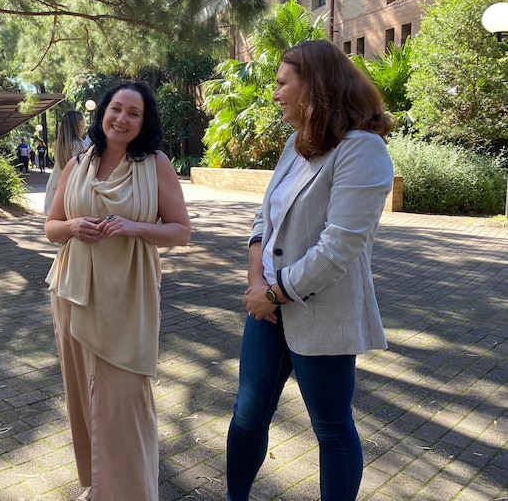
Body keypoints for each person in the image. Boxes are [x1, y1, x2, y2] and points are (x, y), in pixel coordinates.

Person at [226, 40, 394, 501]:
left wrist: (275, 291)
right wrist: (255, 280)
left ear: (315, 86)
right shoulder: (294, 144)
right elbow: (264, 219)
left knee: (332, 428)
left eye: (283, 83)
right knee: (247, 415)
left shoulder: (363, 151)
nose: (275, 93)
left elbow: (339, 247)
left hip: (320, 313)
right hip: (268, 307)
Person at [44, 81, 191, 501]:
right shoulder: (77, 164)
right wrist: (73, 227)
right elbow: (51, 227)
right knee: (81, 398)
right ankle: (96, 487)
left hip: (129, 297)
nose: (121, 118)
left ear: (144, 123)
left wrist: (134, 227)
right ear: (103, 112)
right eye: (116, 109)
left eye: (133, 113)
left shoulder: (156, 164)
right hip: (71, 293)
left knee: (126, 404)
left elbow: (180, 231)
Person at [43, 110, 88, 215]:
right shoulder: (80, 146)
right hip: (73, 193)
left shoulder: (61, 145)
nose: (84, 125)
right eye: (82, 122)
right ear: (76, 124)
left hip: (56, 189)